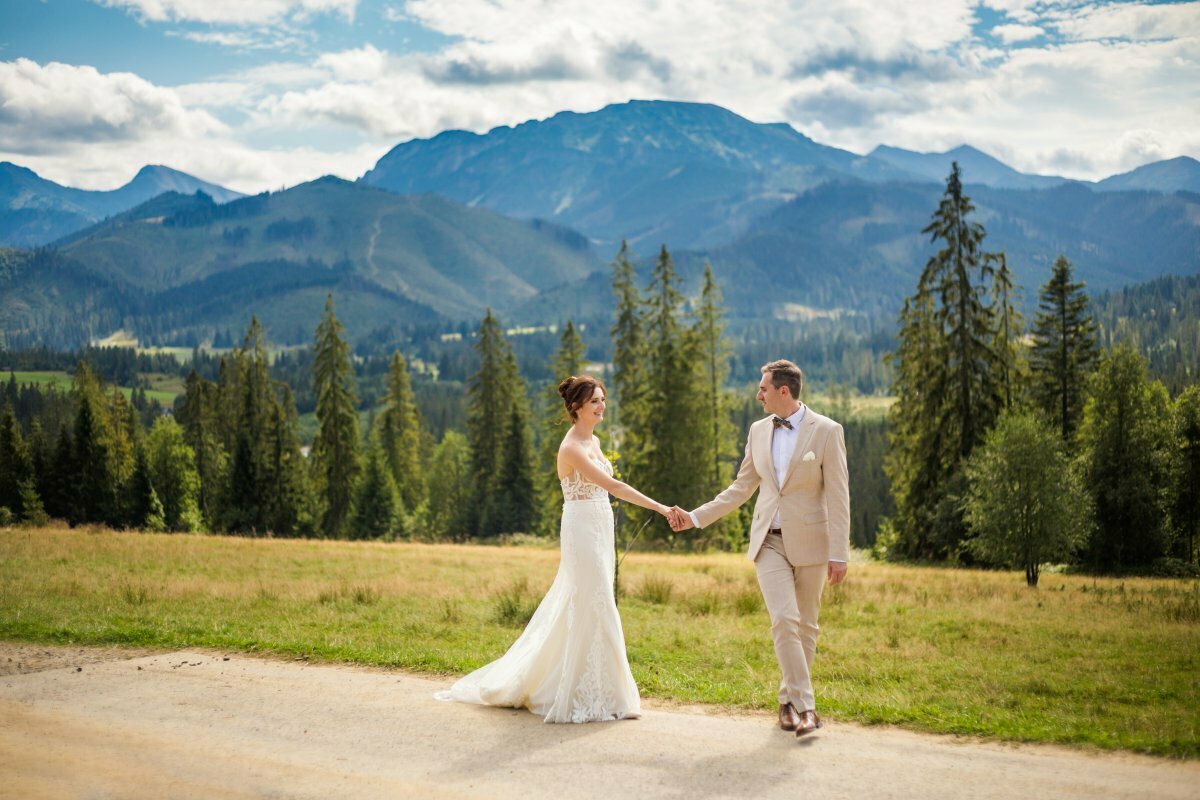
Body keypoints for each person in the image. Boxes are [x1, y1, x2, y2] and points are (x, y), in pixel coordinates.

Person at [437, 374, 672, 723]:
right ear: (576, 407)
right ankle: (593, 696)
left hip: (600, 526)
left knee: (594, 602)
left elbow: (605, 490)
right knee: (595, 602)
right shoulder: (571, 448)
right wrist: (661, 508)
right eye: (595, 401)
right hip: (581, 530)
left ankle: (604, 692)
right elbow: (614, 486)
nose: (602, 405)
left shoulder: (594, 441)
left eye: (603, 399)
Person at [667, 359, 849, 737]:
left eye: (763, 388)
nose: (758, 395)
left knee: (806, 626)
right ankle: (808, 708)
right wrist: (696, 517)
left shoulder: (827, 431)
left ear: (783, 391)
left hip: (813, 544)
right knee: (784, 619)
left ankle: (787, 701)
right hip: (769, 541)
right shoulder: (758, 430)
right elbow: (741, 487)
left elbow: (838, 495)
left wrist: (839, 553)